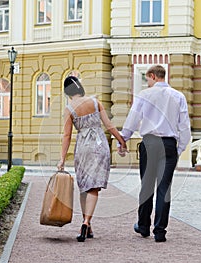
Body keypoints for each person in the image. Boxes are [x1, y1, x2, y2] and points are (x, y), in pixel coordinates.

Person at [118, 65, 191, 242]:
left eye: (148, 79)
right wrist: (178, 148)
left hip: (149, 143)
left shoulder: (145, 95)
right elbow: (185, 128)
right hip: (169, 145)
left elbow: (133, 119)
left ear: (153, 76)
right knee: (164, 189)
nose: (147, 83)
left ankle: (143, 226)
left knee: (146, 186)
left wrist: (123, 140)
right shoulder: (178, 96)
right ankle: (160, 231)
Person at [58, 76, 127, 242]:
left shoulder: (69, 109)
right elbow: (109, 125)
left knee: (84, 186)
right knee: (93, 187)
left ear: (67, 92)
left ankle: (86, 223)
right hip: (99, 145)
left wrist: (62, 159)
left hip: (82, 147)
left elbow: (67, 135)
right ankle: (87, 222)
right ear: (80, 87)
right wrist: (121, 141)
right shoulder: (95, 102)